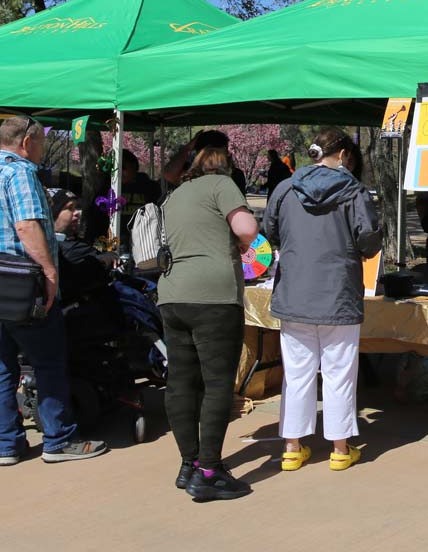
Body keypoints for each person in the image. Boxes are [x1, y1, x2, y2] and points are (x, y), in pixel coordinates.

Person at [0, 116, 107, 466]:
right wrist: (49, 271)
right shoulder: (21, 173)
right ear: (27, 141)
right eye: (42, 142)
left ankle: (8, 444)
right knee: (47, 361)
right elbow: (27, 224)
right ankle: (58, 439)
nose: (44, 149)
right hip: (22, 283)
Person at [264, 129, 382, 473]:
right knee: (339, 373)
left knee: (297, 374)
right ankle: (340, 449)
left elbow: (270, 230)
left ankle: (291, 447)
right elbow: (369, 241)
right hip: (339, 295)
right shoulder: (354, 192)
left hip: (295, 292)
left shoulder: (286, 188)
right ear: (344, 155)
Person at [158, 147, 259, 501]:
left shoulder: (177, 193)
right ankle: (210, 470)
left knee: (181, 382)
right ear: (224, 166)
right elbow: (247, 229)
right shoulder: (222, 183)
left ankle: (189, 464)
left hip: (172, 293)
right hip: (214, 296)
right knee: (217, 384)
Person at [162, 129, 248, 194]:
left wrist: (187, 149)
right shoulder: (192, 174)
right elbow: (168, 173)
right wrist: (187, 149)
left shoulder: (235, 175)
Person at [120, 149, 161, 239]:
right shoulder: (110, 188)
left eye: (123, 168)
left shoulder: (150, 187)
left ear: (133, 166)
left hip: (144, 237)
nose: (119, 172)